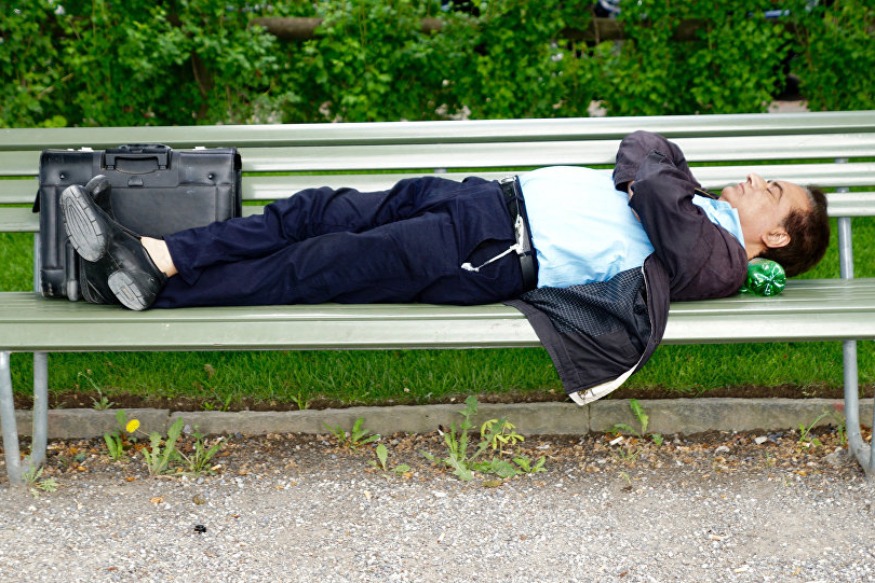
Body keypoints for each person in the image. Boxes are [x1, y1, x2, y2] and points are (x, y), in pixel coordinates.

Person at [60, 131, 830, 404]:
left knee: (318, 264)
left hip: (492, 249)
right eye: (767, 179)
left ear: (774, 237)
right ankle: (159, 256)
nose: (755, 180)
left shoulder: (718, 258)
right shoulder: (694, 206)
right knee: (316, 210)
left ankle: (148, 288)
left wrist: (654, 182)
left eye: (772, 191)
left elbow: (651, 178)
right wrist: (652, 179)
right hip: (483, 200)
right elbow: (642, 146)